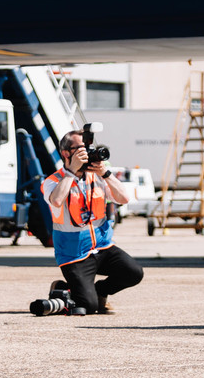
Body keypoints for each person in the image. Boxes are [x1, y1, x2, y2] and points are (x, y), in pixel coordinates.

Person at [40, 129, 143, 314]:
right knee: (87, 306)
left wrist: (106, 174)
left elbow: (124, 198)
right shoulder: (53, 181)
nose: (87, 153)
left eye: (88, 148)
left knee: (134, 273)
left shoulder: (97, 176)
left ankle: (100, 291)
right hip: (75, 255)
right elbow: (56, 200)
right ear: (66, 153)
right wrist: (71, 172)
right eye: (81, 149)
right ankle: (61, 286)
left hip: (102, 247)